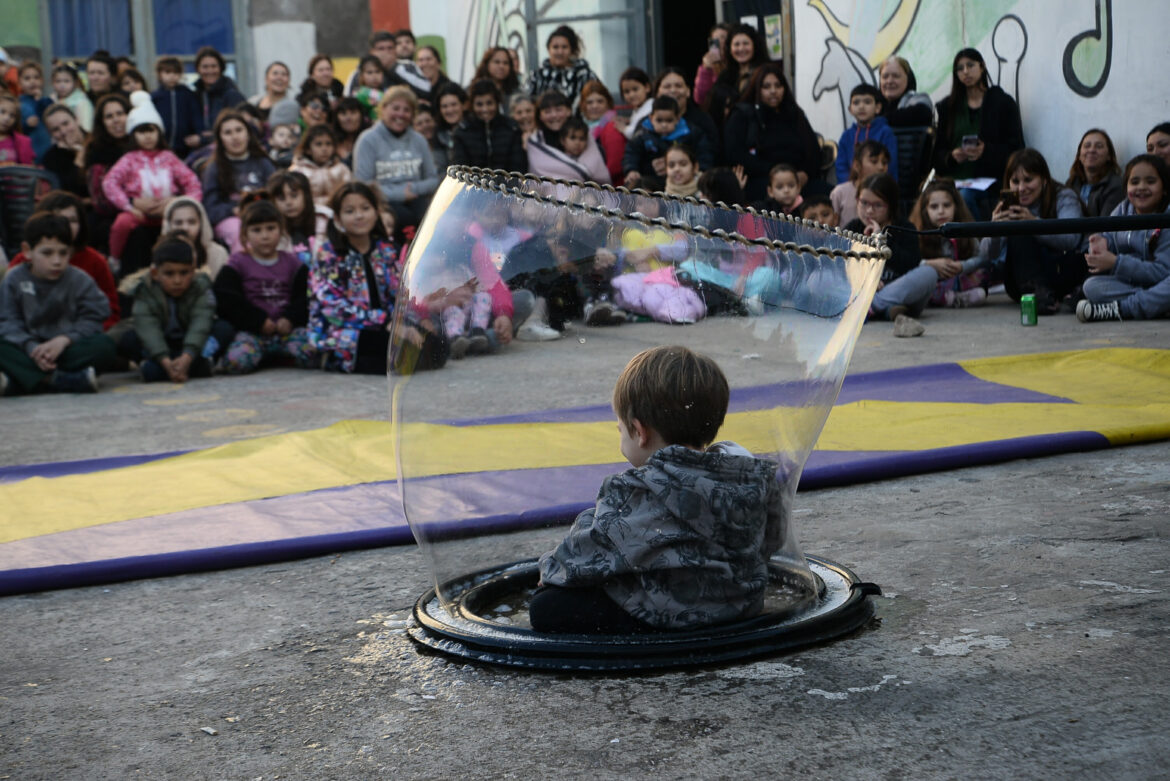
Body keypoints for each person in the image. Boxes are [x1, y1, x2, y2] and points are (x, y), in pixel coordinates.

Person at [530, 345, 785, 634]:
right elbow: (773, 539)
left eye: (620, 429)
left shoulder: (636, 488)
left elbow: (593, 552)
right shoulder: (745, 475)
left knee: (545, 606)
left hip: (671, 613)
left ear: (639, 432)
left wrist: (552, 569)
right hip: (741, 604)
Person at [0, 213, 115, 395]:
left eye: (63, 253)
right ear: (27, 251)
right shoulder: (14, 278)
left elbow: (96, 316)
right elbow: (8, 321)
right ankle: (59, 380)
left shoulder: (79, 279)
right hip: (27, 349)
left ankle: (23, 382)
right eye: (47, 253)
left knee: (104, 346)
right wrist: (31, 347)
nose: (56, 261)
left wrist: (65, 340)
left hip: (66, 350)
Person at [308, 181, 407, 373]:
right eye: (350, 211)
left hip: (386, 326)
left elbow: (399, 293)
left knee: (426, 339)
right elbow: (332, 308)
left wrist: (405, 321)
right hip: (343, 332)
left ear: (376, 211)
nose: (359, 216)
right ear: (337, 218)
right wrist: (384, 320)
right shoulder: (327, 254)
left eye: (365, 208)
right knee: (392, 351)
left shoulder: (386, 250)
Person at [102, 92, 202, 271]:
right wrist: (129, 205)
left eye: (151, 131)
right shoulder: (129, 159)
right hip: (139, 213)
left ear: (159, 132)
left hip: (168, 213)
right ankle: (115, 259)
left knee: (186, 225)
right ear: (133, 134)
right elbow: (109, 182)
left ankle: (191, 259)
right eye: (141, 131)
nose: (147, 137)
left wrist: (179, 203)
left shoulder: (169, 158)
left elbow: (192, 182)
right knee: (121, 224)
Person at [213, 200, 315, 373]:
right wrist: (258, 321)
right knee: (236, 361)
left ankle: (277, 357)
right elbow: (227, 299)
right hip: (253, 333)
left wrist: (290, 318)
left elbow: (306, 296)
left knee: (314, 353)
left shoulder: (293, 263)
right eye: (257, 230)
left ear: (281, 231)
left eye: (270, 228)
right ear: (245, 235)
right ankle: (264, 356)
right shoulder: (237, 263)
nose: (265, 236)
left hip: (286, 331)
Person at [980, 148, 1086, 314]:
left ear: (1044, 180)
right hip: (1023, 284)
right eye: (1015, 181)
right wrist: (995, 230)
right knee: (1018, 234)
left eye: (1028, 180)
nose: (1021, 188)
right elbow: (987, 255)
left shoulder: (1064, 196)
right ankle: (1039, 293)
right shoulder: (1008, 205)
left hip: (1060, 271)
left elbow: (1071, 238)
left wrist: (1033, 223)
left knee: (1024, 229)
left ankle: (1047, 296)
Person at [7, 191, 119, 330]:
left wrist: (77, 334)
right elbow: (7, 310)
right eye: (59, 218)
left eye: (72, 220)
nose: (65, 225)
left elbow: (109, 311)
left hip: (79, 335)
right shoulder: (23, 262)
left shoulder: (95, 261)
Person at [933, 48, 1024, 219]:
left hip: (990, 179)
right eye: (960, 68)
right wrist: (952, 156)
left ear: (982, 67)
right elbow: (937, 154)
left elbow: (1017, 148)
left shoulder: (1002, 103)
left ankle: (975, 243)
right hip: (954, 179)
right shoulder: (948, 108)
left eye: (970, 65)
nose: (965, 72)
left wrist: (986, 151)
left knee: (965, 197)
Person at [1077, 154, 1170, 322]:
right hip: (1134, 285)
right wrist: (1101, 244)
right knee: (1091, 287)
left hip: (1163, 280)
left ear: (1164, 188)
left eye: (1150, 181)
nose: (1141, 187)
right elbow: (1108, 237)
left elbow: (1162, 272)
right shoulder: (1122, 210)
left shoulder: (1166, 217)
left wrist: (1116, 263)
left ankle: (1123, 309)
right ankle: (1157, 305)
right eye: (1134, 182)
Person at [125, 234, 219, 383]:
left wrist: (187, 356)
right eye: (169, 274)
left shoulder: (200, 287)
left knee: (223, 329)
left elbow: (201, 323)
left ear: (193, 271)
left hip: (191, 344)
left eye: (184, 273)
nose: (177, 280)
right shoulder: (145, 290)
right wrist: (165, 361)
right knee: (129, 339)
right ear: (155, 274)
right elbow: (148, 329)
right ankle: (190, 368)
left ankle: (162, 370)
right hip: (161, 345)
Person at [842, 173, 928, 336]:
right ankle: (885, 310)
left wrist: (881, 241)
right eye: (864, 203)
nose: (869, 211)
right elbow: (841, 265)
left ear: (891, 206)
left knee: (928, 274)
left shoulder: (904, 227)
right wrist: (868, 278)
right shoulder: (852, 228)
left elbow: (911, 263)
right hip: (862, 289)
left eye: (877, 205)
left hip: (894, 289)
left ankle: (871, 307)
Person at [723, 64, 821, 202]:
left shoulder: (795, 113)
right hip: (762, 182)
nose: (773, 91)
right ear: (757, 88)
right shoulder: (743, 115)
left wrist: (805, 173)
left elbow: (813, 150)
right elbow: (735, 154)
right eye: (766, 87)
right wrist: (777, 175)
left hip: (799, 182)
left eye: (778, 86)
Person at [353, 86, 439, 231]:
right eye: (396, 108)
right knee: (404, 218)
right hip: (383, 202)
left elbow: (433, 179)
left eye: (406, 110)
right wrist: (400, 194)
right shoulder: (368, 140)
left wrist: (414, 189)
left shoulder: (419, 140)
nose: (401, 114)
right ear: (383, 108)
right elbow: (363, 185)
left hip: (416, 198)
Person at [201, 109, 277, 253]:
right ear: (220, 139)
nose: (235, 137)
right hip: (232, 219)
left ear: (248, 133)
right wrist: (233, 210)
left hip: (265, 216)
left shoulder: (263, 162)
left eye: (239, 130)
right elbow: (210, 209)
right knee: (239, 233)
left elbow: (277, 194)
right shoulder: (214, 168)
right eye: (228, 133)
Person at [911, 178, 987, 308]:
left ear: (956, 207)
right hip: (933, 282)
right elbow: (910, 263)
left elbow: (981, 257)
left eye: (946, 205)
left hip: (959, 279)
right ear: (925, 210)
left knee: (981, 289)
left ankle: (952, 298)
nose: (941, 211)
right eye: (934, 207)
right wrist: (931, 265)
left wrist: (962, 266)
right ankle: (949, 299)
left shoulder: (964, 232)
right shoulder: (919, 235)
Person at [82, 93, 131, 253]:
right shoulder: (96, 151)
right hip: (110, 214)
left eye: (120, 114)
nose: (116, 120)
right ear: (102, 122)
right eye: (109, 116)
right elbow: (100, 201)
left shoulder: (143, 143)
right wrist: (132, 204)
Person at [526, 90, 609, 183]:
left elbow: (595, 167)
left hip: (587, 193)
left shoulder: (583, 133)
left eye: (559, 109)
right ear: (540, 116)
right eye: (547, 111)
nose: (554, 115)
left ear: (569, 111)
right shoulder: (534, 142)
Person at [449, 80, 527, 172]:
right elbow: (461, 169)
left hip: (507, 184)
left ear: (497, 103)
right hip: (473, 185)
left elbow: (518, 167)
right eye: (479, 104)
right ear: (472, 105)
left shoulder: (512, 128)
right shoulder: (462, 132)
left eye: (489, 103)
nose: (485, 109)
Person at [703, 23, 769, 133]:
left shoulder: (764, 72)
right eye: (736, 44)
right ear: (730, 48)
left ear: (754, 46)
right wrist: (706, 70)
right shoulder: (725, 76)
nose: (741, 48)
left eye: (746, 43)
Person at [623, 96, 695, 191]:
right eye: (659, 120)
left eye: (669, 120)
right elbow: (631, 154)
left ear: (678, 119)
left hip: (681, 184)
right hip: (649, 185)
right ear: (651, 118)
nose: (664, 125)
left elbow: (702, 154)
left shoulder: (687, 134)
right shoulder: (642, 135)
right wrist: (631, 170)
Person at [653, 68, 717, 169]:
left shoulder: (703, 121)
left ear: (688, 91)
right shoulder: (646, 123)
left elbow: (711, 157)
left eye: (678, 86)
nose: (673, 90)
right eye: (667, 86)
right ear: (657, 93)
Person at [836, 83, 898, 184]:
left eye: (867, 102)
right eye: (856, 103)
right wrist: (851, 185)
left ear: (877, 108)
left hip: (880, 186)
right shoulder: (846, 136)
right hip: (852, 186)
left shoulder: (885, 132)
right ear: (850, 109)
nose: (861, 107)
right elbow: (841, 167)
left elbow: (890, 165)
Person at [525, 25, 598, 107]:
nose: (560, 52)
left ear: (571, 50)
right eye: (555, 47)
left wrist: (608, 119)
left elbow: (605, 105)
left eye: (564, 47)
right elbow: (526, 104)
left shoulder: (585, 76)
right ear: (548, 49)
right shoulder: (537, 77)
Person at [162, 196, 229, 280]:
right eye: (178, 223)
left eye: (192, 222)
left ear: (201, 224)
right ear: (169, 226)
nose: (185, 228)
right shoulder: (161, 253)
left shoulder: (218, 254)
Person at [193, 46, 246, 146]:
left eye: (214, 66)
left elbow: (241, 128)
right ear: (198, 69)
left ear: (221, 68)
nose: (210, 71)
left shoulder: (232, 95)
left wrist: (205, 139)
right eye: (205, 67)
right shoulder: (195, 95)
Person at [290, 124, 352, 208]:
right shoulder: (298, 171)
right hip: (308, 212)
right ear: (308, 149)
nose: (324, 149)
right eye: (318, 144)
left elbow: (349, 193)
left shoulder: (341, 169)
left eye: (328, 144)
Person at [1067, 128, 1125, 217]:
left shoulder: (1116, 185)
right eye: (1087, 146)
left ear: (1109, 156)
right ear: (1079, 155)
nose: (1091, 150)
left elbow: (1106, 225)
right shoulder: (1072, 182)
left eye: (1099, 146)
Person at [268, 169, 323, 262]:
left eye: (294, 196)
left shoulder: (324, 220)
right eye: (281, 198)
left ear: (306, 195)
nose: (288, 203)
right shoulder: (269, 227)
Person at [151, 56, 200, 160]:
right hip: (160, 147)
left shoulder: (188, 95)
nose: (172, 76)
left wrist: (198, 134)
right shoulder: (155, 96)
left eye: (176, 72)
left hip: (185, 148)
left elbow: (195, 116)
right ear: (160, 74)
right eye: (168, 72)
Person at [831, 139, 890, 225]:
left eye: (884, 162)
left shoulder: (888, 193)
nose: (881, 167)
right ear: (857, 165)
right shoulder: (840, 192)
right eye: (874, 161)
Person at [578, 80, 625, 183]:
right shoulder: (582, 128)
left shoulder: (612, 126)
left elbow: (614, 167)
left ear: (608, 103)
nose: (595, 106)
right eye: (589, 102)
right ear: (583, 105)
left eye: (600, 101)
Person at [878, 56, 934, 127]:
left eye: (896, 76)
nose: (889, 81)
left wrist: (878, 122)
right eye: (885, 77)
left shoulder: (919, 99)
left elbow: (923, 113)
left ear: (908, 78)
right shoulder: (872, 105)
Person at [17, 61, 52, 163]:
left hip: (48, 151)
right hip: (30, 153)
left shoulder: (47, 101)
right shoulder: (18, 103)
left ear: (42, 80)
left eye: (36, 77)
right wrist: (26, 124)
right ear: (20, 82)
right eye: (27, 78)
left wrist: (39, 101)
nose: (32, 81)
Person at [692, 23, 733, 108]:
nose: (720, 42)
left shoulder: (737, 62)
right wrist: (706, 70)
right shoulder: (708, 67)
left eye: (723, 37)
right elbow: (700, 98)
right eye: (715, 39)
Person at [51, 63, 93, 132]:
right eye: (58, 81)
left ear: (75, 82)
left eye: (66, 81)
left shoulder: (82, 103)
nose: (62, 85)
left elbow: (86, 129)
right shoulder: (50, 101)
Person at [617, 67, 653, 140]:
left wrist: (623, 128)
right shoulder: (638, 108)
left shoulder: (652, 106)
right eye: (627, 92)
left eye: (635, 89)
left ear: (647, 87)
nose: (631, 95)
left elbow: (636, 132)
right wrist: (629, 120)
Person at [413, 46, 452, 114]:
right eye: (421, 60)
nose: (425, 64)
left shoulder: (449, 88)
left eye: (429, 59)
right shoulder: (412, 89)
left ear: (438, 63)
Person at [331, 96, 368, 167]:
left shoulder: (370, 139)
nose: (348, 118)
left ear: (361, 115)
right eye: (343, 113)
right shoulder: (330, 141)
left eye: (353, 113)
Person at [0, 92, 34, 165]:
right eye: (2, 112)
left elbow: (30, 170)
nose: (7, 118)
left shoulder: (23, 142)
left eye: (12, 116)